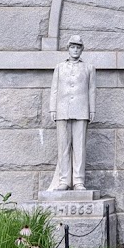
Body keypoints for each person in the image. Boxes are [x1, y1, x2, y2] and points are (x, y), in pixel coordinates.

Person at [48, 35, 95, 191]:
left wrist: (92, 109)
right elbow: (54, 89)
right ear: (68, 48)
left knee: (79, 147)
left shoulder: (89, 68)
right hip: (62, 109)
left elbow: (92, 90)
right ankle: (64, 180)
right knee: (63, 146)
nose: (75, 50)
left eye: (78, 47)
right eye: (72, 47)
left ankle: (78, 181)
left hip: (81, 110)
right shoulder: (59, 67)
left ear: (82, 49)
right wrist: (52, 108)